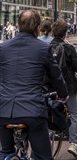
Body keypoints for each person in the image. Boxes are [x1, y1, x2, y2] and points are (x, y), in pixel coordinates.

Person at [0, 9, 68, 160]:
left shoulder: (3, 48)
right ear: (37, 28)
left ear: (18, 25)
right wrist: (63, 94)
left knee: (5, 152)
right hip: (32, 111)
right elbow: (56, 76)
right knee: (43, 156)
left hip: (4, 111)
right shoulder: (43, 48)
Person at [50, 19, 77, 159]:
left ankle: (51, 135)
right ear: (66, 32)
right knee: (74, 113)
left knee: (50, 111)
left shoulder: (47, 46)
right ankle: (73, 143)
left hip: (51, 87)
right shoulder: (68, 48)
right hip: (68, 86)